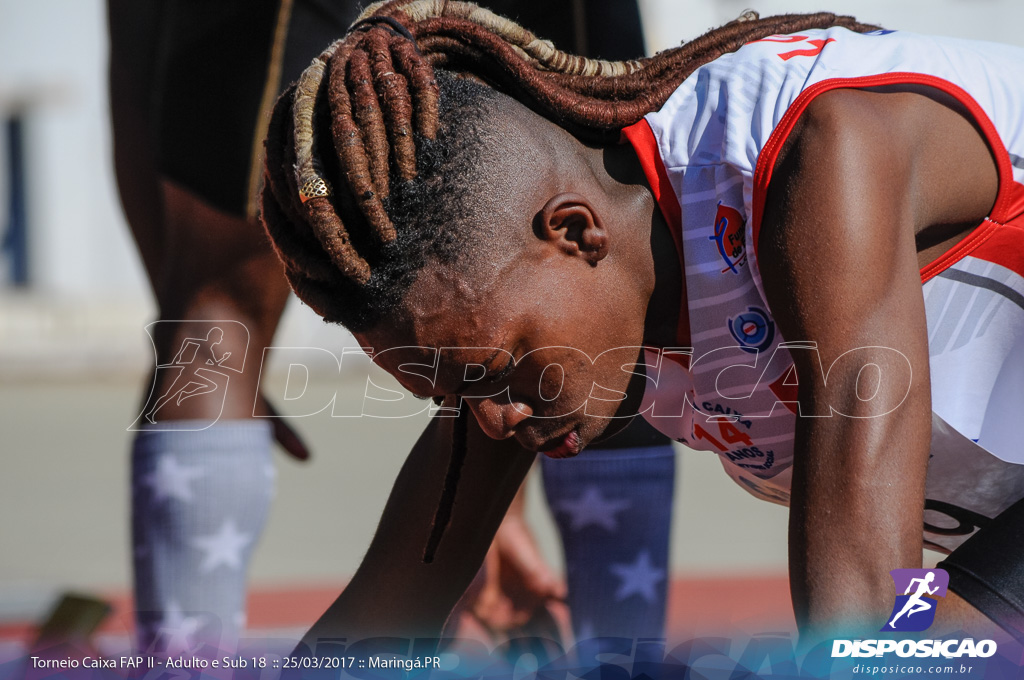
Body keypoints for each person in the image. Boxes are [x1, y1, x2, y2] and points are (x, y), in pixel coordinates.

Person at [258, 0, 1024, 647]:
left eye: (491, 374)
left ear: (575, 232)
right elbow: (377, 629)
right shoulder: (520, 326)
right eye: (455, 392)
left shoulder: (821, 162)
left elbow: (864, 626)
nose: (492, 418)